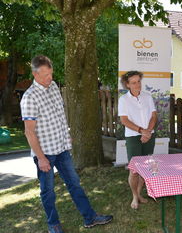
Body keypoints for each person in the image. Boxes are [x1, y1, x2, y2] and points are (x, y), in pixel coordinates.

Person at [20, 55, 113, 233]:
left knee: (75, 184)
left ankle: (90, 217)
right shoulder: (29, 98)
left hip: (62, 149)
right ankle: (53, 225)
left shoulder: (54, 86)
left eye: (51, 73)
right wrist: (41, 158)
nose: (50, 78)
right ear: (35, 74)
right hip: (45, 153)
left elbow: (60, 115)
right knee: (48, 192)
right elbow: (29, 132)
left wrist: (66, 136)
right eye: (45, 75)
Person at [118, 71, 157, 210]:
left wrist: (147, 132)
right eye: (133, 82)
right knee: (134, 170)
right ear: (127, 85)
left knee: (145, 167)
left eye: (139, 81)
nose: (137, 85)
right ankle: (134, 196)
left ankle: (140, 194)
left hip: (149, 135)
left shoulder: (147, 97)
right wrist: (141, 131)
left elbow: (153, 116)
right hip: (133, 136)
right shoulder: (124, 100)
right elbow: (124, 120)